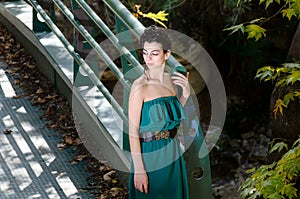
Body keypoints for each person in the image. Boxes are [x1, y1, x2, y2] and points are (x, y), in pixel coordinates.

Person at [128, 25, 190, 199]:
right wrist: (139, 170)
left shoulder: (170, 81)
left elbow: (172, 118)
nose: (148, 58)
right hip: (150, 153)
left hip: (172, 150)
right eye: (145, 52)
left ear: (166, 54)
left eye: (154, 53)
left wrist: (184, 96)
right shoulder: (140, 86)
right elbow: (132, 132)